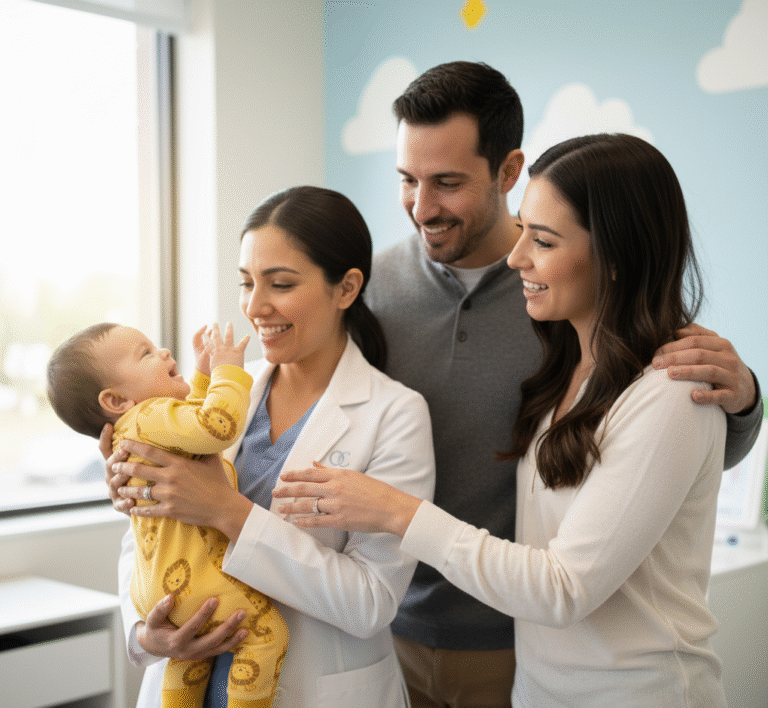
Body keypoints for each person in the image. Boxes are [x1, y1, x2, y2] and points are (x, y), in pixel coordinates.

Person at [274, 133, 730, 707]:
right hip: (538, 688)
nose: (517, 257)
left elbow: (563, 588)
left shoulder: (672, 391)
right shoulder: (570, 367)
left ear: (616, 255)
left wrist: (394, 510)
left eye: (542, 240)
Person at [358, 61, 762, 707]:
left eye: (448, 182)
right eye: (407, 180)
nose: (422, 206)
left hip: (531, 646)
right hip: (421, 634)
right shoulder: (376, 291)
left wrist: (742, 402)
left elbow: (670, 448)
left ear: (507, 171)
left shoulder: (642, 363)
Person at [102, 186, 436, 708]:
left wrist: (226, 510)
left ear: (346, 288)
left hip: (310, 685)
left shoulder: (394, 414)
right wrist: (147, 632)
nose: (256, 307)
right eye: (246, 283)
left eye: (280, 284)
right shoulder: (215, 396)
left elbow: (372, 602)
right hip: (189, 684)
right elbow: (145, 535)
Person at [47, 321, 289, 708]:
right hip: (189, 577)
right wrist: (229, 369)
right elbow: (217, 426)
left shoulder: (141, 429)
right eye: (145, 353)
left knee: (188, 660)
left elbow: (187, 426)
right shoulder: (148, 417)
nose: (162, 352)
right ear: (115, 401)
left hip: (161, 587)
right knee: (265, 634)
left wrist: (203, 375)